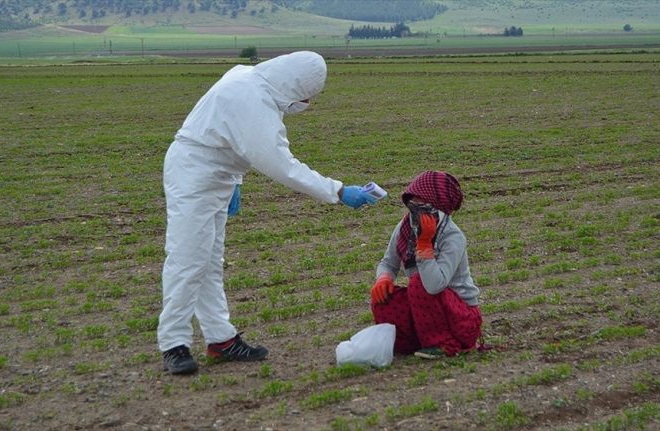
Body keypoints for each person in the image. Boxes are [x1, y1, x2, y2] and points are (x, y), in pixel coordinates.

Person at [158, 51, 377, 374]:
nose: (305, 103)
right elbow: (281, 165)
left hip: (213, 171)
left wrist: (234, 181)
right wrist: (339, 191)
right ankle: (173, 343)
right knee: (188, 258)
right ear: (295, 84)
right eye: (305, 96)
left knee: (208, 259)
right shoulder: (253, 99)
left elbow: (229, 136)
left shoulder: (248, 79)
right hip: (195, 174)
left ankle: (221, 338)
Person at [370, 171, 482, 359]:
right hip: (428, 311)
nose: (417, 211)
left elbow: (434, 285)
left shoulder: (453, 237)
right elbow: (388, 263)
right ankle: (416, 341)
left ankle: (445, 344)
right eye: (413, 203)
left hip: (461, 319)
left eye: (423, 204)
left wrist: (424, 245)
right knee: (384, 300)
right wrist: (384, 278)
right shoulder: (405, 226)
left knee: (418, 283)